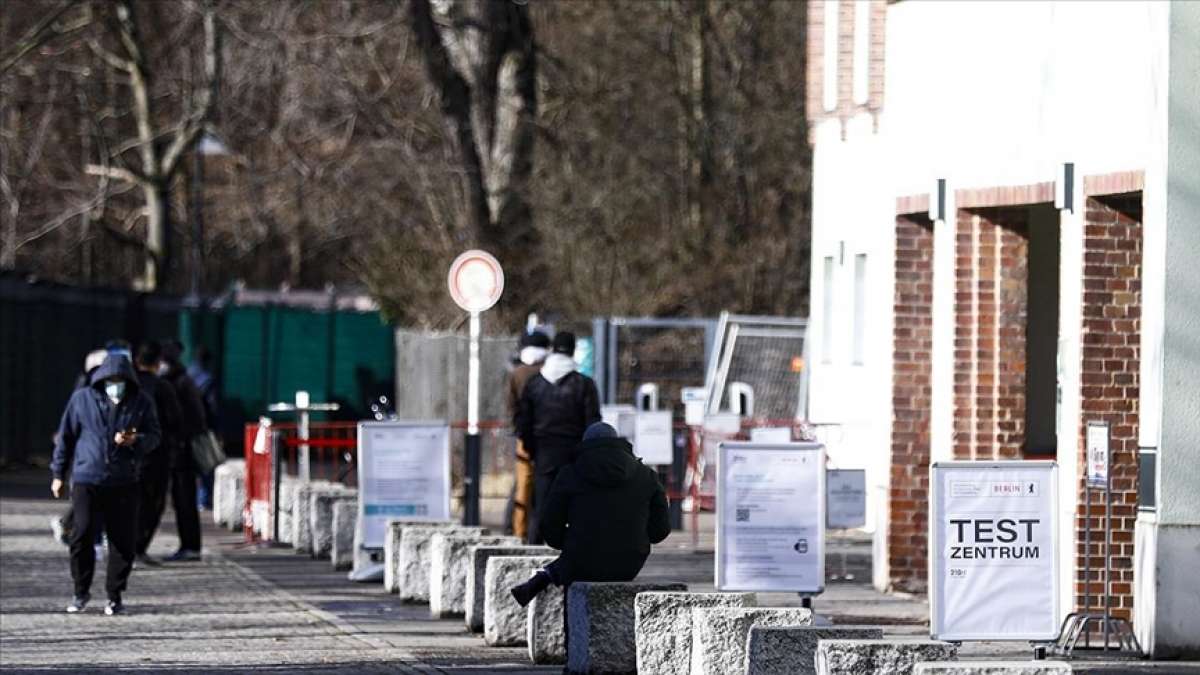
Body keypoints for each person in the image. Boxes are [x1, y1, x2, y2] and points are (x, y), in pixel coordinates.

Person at [510, 421, 670, 609]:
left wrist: (572, 543)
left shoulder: (570, 474)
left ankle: (547, 580)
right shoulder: (646, 475)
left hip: (580, 562)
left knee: (573, 563)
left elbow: (550, 528)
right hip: (629, 564)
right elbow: (660, 531)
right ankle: (549, 574)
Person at [51, 353, 161, 615]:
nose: (115, 384)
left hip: (124, 479)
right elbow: (66, 436)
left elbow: (155, 435)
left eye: (120, 380)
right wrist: (58, 473)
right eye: (110, 380)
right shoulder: (82, 400)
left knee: (122, 539)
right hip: (87, 476)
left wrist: (136, 441)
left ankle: (115, 594)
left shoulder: (141, 401)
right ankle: (80, 590)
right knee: (82, 533)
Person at [515, 331, 601, 544]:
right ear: (573, 351)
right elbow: (593, 422)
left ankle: (534, 550)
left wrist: (531, 448)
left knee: (541, 506)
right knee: (573, 507)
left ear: (553, 349)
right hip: (574, 452)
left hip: (543, 452)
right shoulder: (584, 384)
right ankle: (571, 552)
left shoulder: (534, 383)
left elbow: (523, 421)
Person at [50, 348, 109, 546]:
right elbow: (70, 426)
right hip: (85, 453)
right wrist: (58, 472)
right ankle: (74, 528)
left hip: (93, 455)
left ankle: (76, 527)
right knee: (85, 495)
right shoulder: (85, 391)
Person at [132, 342, 184, 566]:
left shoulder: (130, 385)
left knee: (129, 501)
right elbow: (176, 420)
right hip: (157, 453)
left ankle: (125, 547)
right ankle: (139, 547)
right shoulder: (163, 387)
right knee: (153, 503)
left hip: (129, 451)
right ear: (157, 362)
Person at [159, 341, 207, 561]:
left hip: (181, 450)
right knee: (183, 500)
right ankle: (190, 545)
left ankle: (190, 545)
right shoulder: (184, 381)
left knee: (184, 500)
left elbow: (190, 418)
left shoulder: (176, 384)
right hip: (181, 448)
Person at [505, 330, 550, 539]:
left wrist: (519, 429)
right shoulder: (550, 372)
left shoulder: (517, 374)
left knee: (523, 486)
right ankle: (543, 532)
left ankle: (519, 533)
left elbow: (511, 407)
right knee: (547, 485)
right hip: (550, 438)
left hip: (524, 437)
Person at [186, 344, 219, 510]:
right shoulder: (207, 379)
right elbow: (212, 407)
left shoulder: (186, 375)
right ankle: (203, 500)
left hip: (183, 427)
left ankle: (189, 498)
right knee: (206, 465)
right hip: (202, 427)